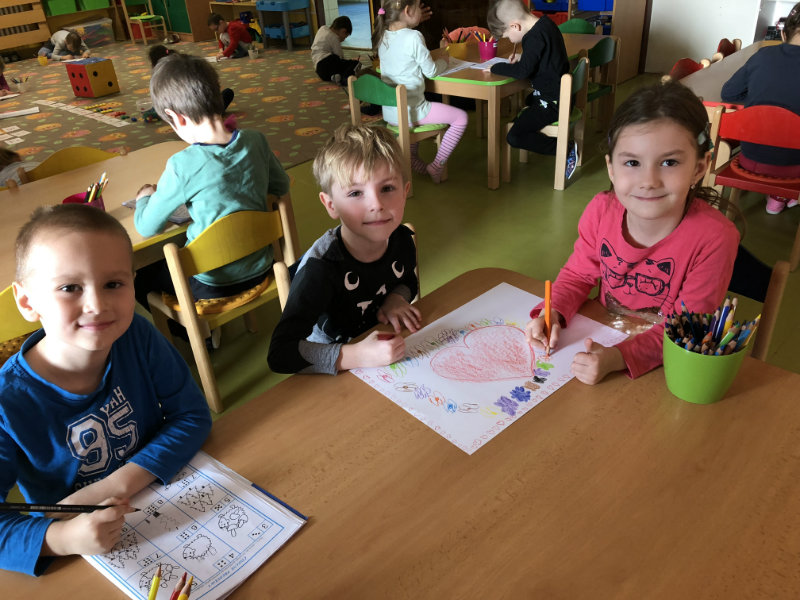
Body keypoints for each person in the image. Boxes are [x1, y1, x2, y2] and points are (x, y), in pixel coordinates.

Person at [0, 204, 212, 576]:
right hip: (80, 552)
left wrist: (113, 486)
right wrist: (61, 539)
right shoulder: (7, 402)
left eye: (113, 284)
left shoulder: (137, 335)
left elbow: (192, 415)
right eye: (70, 288)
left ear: (132, 282)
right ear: (28, 302)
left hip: (162, 500)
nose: (97, 305)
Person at [525, 82, 740, 384]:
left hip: (661, 367)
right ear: (611, 168)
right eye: (632, 162)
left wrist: (618, 358)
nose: (649, 180)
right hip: (601, 336)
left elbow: (685, 331)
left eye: (669, 162)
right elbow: (577, 276)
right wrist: (552, 313)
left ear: (699, 167)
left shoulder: (715, 238)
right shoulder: (601, 210)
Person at [133, 53, 290, 315]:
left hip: (211, 284)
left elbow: (147, 227)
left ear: (177, 118)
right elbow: (281, 186)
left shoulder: (181, 166)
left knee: (141, 276)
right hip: (262, 267)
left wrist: (144, 199)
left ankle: (191, 333)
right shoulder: (256, 140)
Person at [268, 124, 421, 374]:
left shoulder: (401, 239)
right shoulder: (320, 270)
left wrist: (397, 298)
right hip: (331, 369)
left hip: (381, 358)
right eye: (356, 192)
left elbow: (407, 279)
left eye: (387, 188)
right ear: (331, 205)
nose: (376, 204)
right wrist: (357, 355)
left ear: (405, 192)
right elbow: (280, 354)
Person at [372, 0, 468, 183]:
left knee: (414, 140)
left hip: (392, 113)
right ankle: (437, 165)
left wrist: (412, 21)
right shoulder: (414, 37)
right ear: (408, 10)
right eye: (418, 6)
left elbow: (403, 49)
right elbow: (431, 71)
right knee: (461, 118)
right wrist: (444, 59)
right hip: (412, 111)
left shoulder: (383, 34)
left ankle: (419, 166)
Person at [720, 1, 800, 214]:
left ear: (783, 34)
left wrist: (761, 97)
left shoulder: (763, 56)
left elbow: (728, 94)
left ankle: (779, 196)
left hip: (750, 160)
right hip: (796, 169)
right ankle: (783, 196)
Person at [486, 0, 578, 178]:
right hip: (561, 96)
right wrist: (524, 57)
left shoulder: (533, 38)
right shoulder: (546, 24)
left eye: (507, 36)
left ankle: (564, 148)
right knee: (526, 105)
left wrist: (495, 68)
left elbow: (523, 72)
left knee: (514, 136)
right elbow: (545, 56)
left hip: (552, 102)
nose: (510, 40)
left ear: (515, 26)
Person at [147, 45, 235, 112]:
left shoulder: (163, 74)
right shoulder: (187, 62)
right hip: (206, 103)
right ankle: (213, 113)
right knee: (228, 93)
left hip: (188, 107)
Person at [311, 16, 362, 85]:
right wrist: (349, 62)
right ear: (343, 31)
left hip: (320, 71)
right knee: (354, 63)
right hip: (327, 63)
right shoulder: (334, 38)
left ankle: (336, 76)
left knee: (339, 64)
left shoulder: (322, 28)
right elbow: (340, 57)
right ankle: (344, 78)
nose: (344, 39)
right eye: (345, 37)